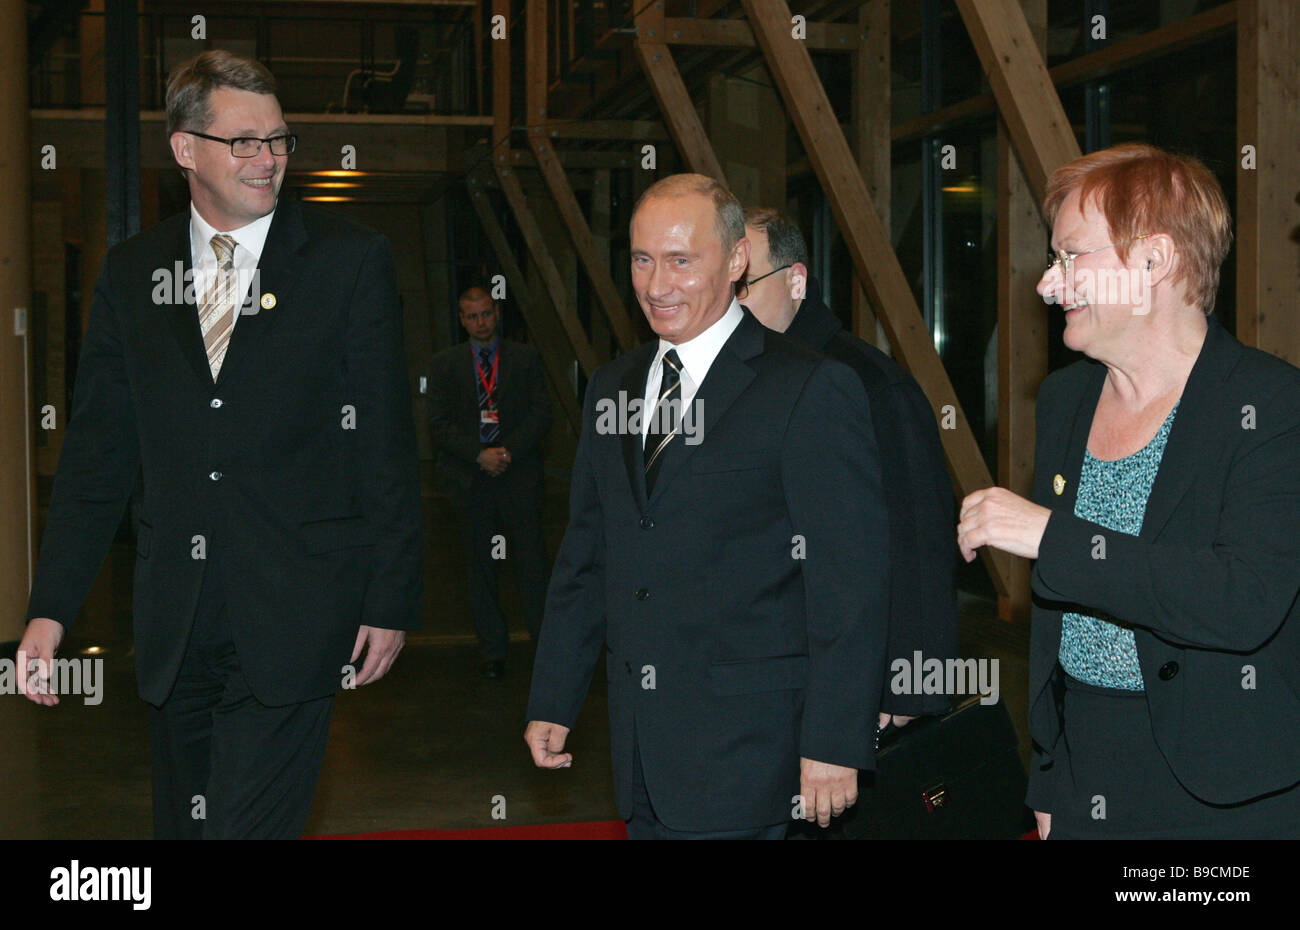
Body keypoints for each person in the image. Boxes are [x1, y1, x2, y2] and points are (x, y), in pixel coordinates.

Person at [18, 49, 423, 839]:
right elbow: (100, 454)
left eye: (276, 139)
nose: (266, 158)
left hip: (299, 610)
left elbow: (384, 443)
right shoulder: (133, 275)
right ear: (184, 149)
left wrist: (391, 597)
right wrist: (52, 610)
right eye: (243, 141)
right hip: (176, 621)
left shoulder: (350, 260)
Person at [523, 173, 889, 839]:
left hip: (752, 753)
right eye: (641, 259)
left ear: (737, 261)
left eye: (681, 261)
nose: (656, 285)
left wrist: (835, 740)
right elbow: (588, 554)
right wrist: (554, 696)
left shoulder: (808, 386)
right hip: (640, 754)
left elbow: (849, 582)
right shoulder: (613, 384)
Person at [957, 143, 1300, 839]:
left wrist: (1051, 537)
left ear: (1153, 262)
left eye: (1071, 257)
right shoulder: (1064, 398)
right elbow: (1057, 616)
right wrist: (1049, 773)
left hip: (1222, 789)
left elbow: (1242, 599)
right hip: (1089, 767)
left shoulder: (1270, 404)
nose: (1048, 286)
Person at [740, 207, 958, 744]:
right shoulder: (734, 377)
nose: (730, 299)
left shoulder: (873, 385)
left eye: (744, 284)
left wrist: (911, 684)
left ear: (796, 280)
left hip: (848, 675)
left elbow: (920, 539)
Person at [425, 287, 552, 678]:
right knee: (481, 570)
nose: (480, 322)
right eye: (471, 316)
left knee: (533, 568)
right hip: (472, 482)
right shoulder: (443, 366)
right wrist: (477, 454)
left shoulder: (525, 359)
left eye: (486, 314)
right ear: (462, 320)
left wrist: (508, 451)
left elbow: (540, 412)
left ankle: (547, 652)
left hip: (518, 479)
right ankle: (493, 653)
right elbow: (437, 423)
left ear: (496, 313)